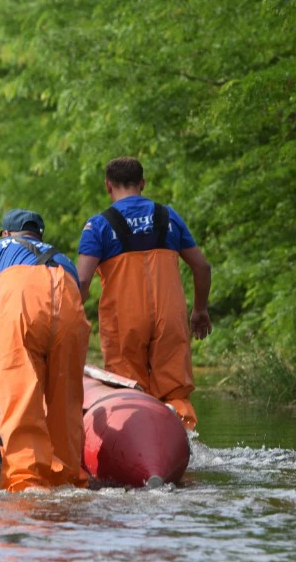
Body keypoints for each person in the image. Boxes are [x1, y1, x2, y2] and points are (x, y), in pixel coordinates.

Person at [0, 209, 90, 491]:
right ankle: (68, 482)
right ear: (39, 235)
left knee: (22, 399)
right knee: (66, 405)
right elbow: (78, 296)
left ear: (5, 233)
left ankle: (26, 483)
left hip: (23, 316)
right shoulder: (63, 258)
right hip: (71, 319)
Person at [76, 156, 211, 430]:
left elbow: (81, 281)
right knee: (175, 392)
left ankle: (139, 446)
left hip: (124, 323)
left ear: (108, 186)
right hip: (170, 318)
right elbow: (202, 266)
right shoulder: (168, 216)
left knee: (129, 392)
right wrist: (200, 310)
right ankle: (183, 446)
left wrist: (69, 323)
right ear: (143, 184)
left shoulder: (98, 226)